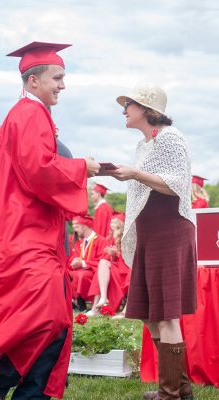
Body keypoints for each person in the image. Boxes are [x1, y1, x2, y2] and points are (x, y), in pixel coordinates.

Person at [0, 41, 100, 400]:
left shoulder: (31, 115)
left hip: (36, 235)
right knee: (48, 316)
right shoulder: (28, 114)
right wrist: (81, 168)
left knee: (54, 325)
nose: (62, 85)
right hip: (26, 237)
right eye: (57, 77)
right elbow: (39, 170)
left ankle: (27, 392)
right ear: (32, 81)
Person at [109, 82, 196, 400]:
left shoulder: (171, 138)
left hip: (169, 233)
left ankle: (170, 393)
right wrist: (130, 173)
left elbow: (176, 185)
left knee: (166, 314)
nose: (123, 110)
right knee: (149, 313)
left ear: (147, 109)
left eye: (128, 104)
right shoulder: (144, 146)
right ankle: (180, 386)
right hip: (150, 236)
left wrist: (134, 174)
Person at [87, 212, 130, 316]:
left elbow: (130, 257)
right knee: (102, 263)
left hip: (125, 270)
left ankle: (96, 308)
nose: (111, 224)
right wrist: (111, 255)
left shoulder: (126, 236)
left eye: (114, 222)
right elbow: (108, 259)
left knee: (101, 270)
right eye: (111, 222)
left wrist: (117, 254)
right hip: (115, 267)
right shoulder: (110, 237)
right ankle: (103, 297)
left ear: (121, 223)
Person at [67, 215, 107, 311]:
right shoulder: (80, 243)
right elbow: (75, 257)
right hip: (80, 271)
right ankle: (72, 302)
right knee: (65, 273)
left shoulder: (101, 241)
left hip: (94, 272)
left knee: (81, 275)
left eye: (77, 227)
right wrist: (74, 262)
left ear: (84, 226)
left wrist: (83, 263)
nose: (75, 230)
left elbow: (102, 261)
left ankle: (81, 302)